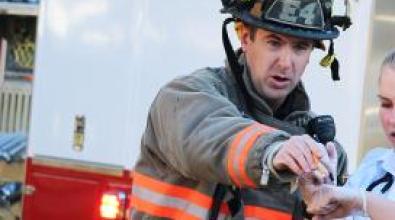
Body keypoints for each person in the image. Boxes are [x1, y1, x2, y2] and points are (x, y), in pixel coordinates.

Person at [131, 0, 351, 219]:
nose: (286, 62)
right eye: (274, 42)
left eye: (300, 47)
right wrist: (272, 152)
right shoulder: (183, 97)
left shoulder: (319, 151)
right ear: (245, 38)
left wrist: (321, 206)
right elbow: (209, 135)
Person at [299, 49, 395, 220]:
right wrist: (326, 199)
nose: (392, 120)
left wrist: (362, 202)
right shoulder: (374, 166)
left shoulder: (362, 195)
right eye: (386, 104)